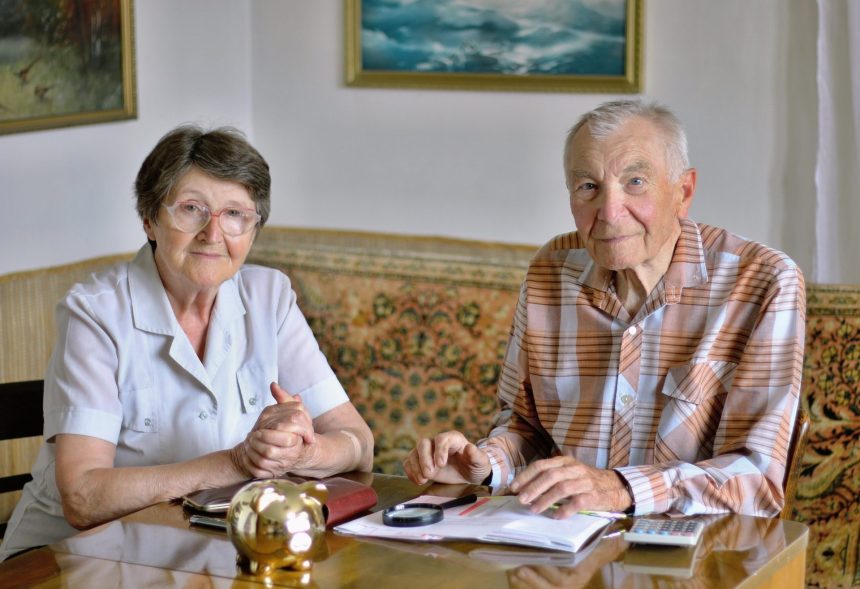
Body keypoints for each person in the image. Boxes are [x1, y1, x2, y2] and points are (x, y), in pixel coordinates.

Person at [404, 99, 805, 519]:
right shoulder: (551, 271)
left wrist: (620, 489)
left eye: (635, 182)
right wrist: (484, 465)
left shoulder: (763, 282)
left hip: (696, 547)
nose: (610, 212)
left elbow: (755, 480)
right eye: (588, 187)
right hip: (561, 536)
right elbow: (526, 428)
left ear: (683, 192)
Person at [0, 126, 374, 560]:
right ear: (149, 219)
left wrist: (298, 453)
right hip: (69, 560)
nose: (213, 234)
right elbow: (83, 498)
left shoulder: (269, 297)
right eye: (192, 209)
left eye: (235, 214)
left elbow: (359, 444)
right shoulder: (95, 313)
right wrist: (237, 463)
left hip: (204, 551)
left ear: (253, 229)